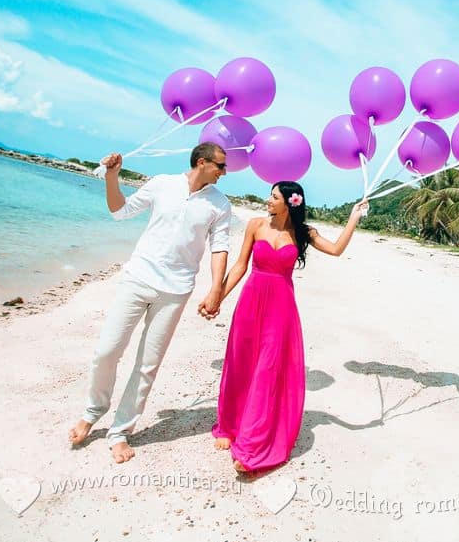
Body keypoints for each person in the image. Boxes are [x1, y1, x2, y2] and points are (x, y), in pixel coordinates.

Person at [67, 142, 233, 463]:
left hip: (176, 290)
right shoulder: (162, 184)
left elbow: (220, 248)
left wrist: (216, 289)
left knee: (147, 365)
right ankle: (93, 412)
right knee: (106, 351)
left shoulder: (220, 204)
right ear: (202, 162)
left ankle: (120, 431)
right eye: (220, 166)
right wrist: (112, 177)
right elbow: (120, 211)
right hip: (138, 278)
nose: (224, 172)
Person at [199, 181, 369, 474]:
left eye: (274, 196)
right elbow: (240, 266)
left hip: (281, 310)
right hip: (251, 303)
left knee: (267, 370)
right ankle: (229, 425)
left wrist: (353, 217)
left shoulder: (303, 232)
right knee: (242, 363)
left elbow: (336, 249)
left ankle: (252, 445)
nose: (268, 200)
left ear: (290, 203)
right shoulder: (255, 225)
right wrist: (217, 297)